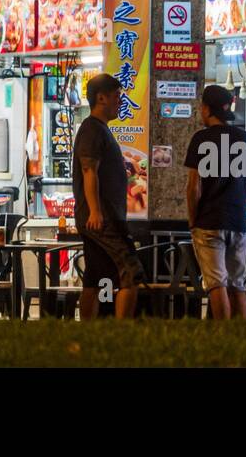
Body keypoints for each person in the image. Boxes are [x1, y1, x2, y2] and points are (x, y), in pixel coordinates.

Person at [184, 85, 246, 319]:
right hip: (238, 222)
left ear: (207, 109)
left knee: (216, 283)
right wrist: (238, 203)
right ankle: (239, 338)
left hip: (208, 221)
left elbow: (193, 187)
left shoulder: (200, 139)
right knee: (237, 284)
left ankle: (223, 337)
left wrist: (193, 219)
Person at [73, 73, 144, 319]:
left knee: (95, 278)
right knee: (131, 272)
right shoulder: (92, 129)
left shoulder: (100, 129)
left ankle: (90, 335)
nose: (119, 102)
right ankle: (121, 336)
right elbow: (88, 169)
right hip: (102, 219)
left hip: (101, 216)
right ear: (101, 98)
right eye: (116, 97)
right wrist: (95, 210)